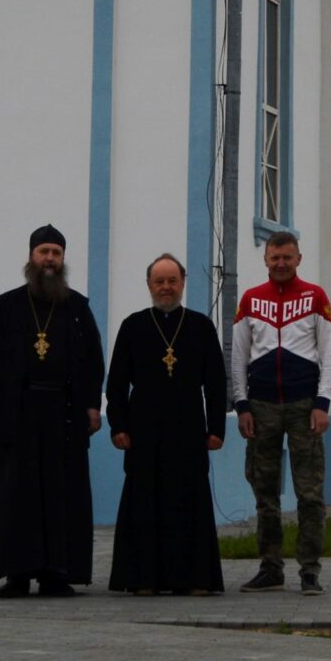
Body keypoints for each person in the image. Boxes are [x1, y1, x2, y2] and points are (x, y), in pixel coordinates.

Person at [0, 224, 102, 597]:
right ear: (31, 256)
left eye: (56, 253)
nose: (49, 259)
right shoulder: (9, 304)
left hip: (64, 414)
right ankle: (17, 574)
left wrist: (93, 405)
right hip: (17, 413)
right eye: (43, 251)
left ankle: (56, 574)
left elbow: (94, 359)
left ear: (63, 259)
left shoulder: (77, 306)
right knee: (17, 496)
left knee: (61, 495)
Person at [105, 252, 227, 595]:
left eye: (172, 281)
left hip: (189, 428)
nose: (166, 288)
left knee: (191, 503)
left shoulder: (201, 326)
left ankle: (196, 579)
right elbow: (115, 384)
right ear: (148, 285)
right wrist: (118, 427)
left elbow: (216, 383)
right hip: (143, 429)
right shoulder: (133, 326)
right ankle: (144, 579)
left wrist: (216, 428)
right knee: (145, 501)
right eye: (159, 281)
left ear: (183, 283)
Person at [229, 230, 331, 595]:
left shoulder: (315, 298)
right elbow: (239, 356)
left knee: (310, 493)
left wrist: (323, 403)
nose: (280, 264)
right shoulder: (250, 300)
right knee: (265, 491)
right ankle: (270, 567)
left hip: (304, 406)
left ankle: (309, 570)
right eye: (274, 258)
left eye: (287, 257)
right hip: (261, 408)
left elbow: (329, 353)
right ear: (265, 260)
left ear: (298, 259)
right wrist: (241, 404)